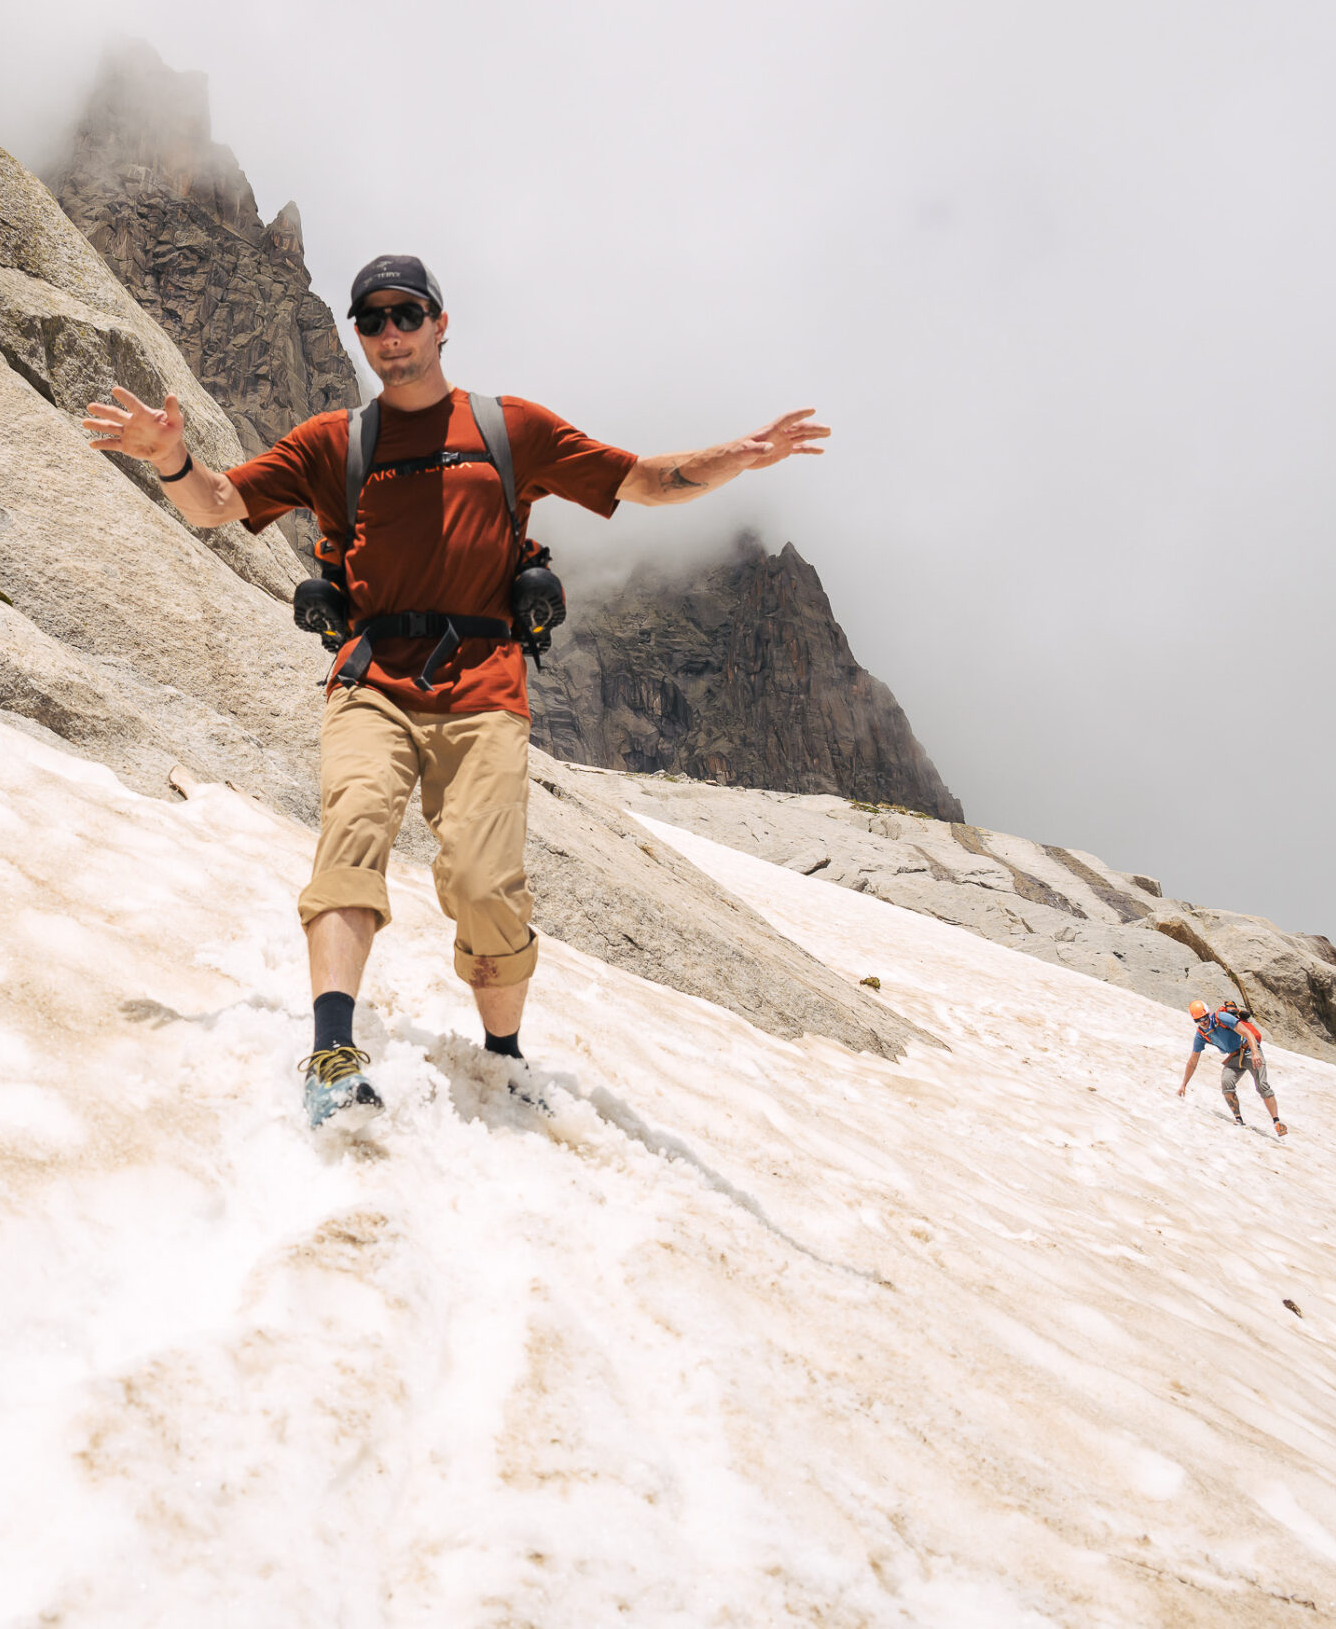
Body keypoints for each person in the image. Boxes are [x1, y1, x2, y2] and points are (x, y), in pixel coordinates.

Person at [83, 254, 828, 1126]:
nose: (389, 334)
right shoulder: (335, 442)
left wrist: (732, 458)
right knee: (351, 832)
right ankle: (331, 1051)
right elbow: (217, 505)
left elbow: (641, 481)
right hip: (372, 681)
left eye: (407, 315)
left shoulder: (511, 430)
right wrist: (171, 458)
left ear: (441, 324)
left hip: (484, 688)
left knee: (483, 882)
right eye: (371, 319)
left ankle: (504, 1057)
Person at [1178, 999, 1287, 1135]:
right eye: (1199, 1020)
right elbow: (1193, 1061)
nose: (1203, 1022)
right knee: (1226, 1083)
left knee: (1262, 1085)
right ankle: (1238, 1119)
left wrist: (1255, 1053)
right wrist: (1183, 1084)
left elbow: (1248, 1033)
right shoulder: (1201, 1035)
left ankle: (1276, 1121)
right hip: (1235, 1056)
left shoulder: (1221, 1018)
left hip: (1249, 1050)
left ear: (1209, 1014)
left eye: (1205, 1017)